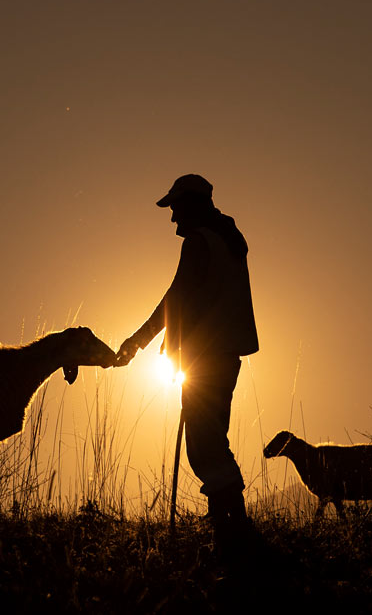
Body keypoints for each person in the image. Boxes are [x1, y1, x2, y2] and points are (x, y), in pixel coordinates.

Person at [115, 174, 259, 531]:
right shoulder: (228, 240)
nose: (173, 217)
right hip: (225, 352)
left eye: (176, 207)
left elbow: (176, 297)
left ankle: (234, 526)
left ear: (193, 204)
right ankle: (229, 519)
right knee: (210, 437)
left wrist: (137, 341)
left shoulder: (199, 242)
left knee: (203, 441)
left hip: (205, 354)